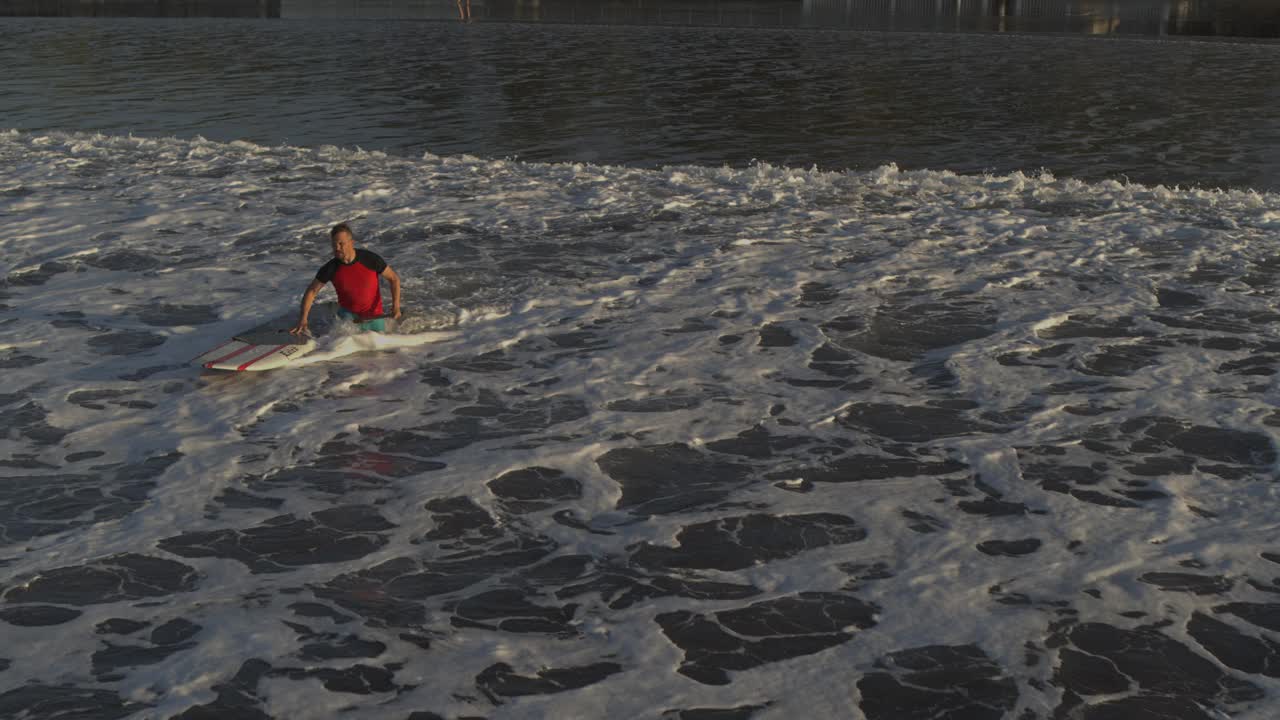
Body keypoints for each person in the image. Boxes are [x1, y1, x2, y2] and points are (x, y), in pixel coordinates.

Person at [290, 223, 402, 336]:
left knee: (381, 351)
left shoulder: (370, 259)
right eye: (334, 245)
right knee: (339, 346)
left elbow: (394, 279)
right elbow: (312, 291)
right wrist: (303, 319)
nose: (337, 248)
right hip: (348, 319)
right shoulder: (331, 268)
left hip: (374, 316)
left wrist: (396, 306)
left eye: (341, 244)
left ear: (351, 243)